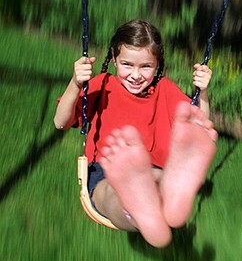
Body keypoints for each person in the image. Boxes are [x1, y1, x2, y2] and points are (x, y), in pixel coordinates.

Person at [54, 19, 217, 248]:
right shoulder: (103, 84)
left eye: (145, 66)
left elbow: (199, 126)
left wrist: (203, 94)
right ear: (114, 59)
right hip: (108, 168)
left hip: (147, 170)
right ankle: (151, 200)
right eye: (127, 65)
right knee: (113, 192)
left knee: (124, 192)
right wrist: (75, 83)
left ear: (157, 63)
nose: (136, 75)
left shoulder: (166, 90)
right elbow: (61, 121)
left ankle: (154, 198)